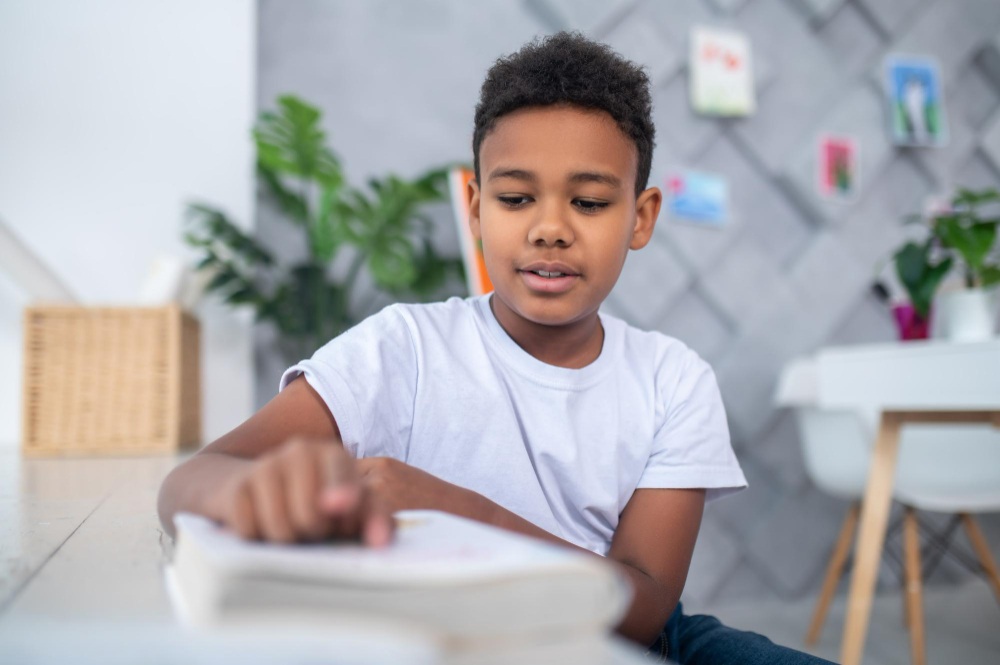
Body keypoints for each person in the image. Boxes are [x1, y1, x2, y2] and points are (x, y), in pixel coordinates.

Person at [158, 31, 833, 665]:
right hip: (441, 632)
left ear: (642, 216)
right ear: (477, 208)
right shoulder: (405, 349)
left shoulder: (673, 379)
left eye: (590, 203)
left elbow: (642, 607)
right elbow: (189, 482)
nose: (549, 229)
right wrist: (261, 488)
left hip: (625, 640)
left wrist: (451, 508)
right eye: (515, 198)